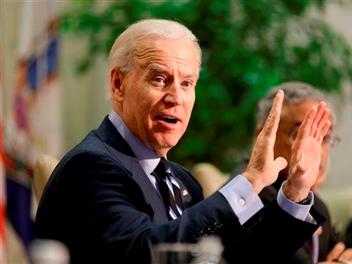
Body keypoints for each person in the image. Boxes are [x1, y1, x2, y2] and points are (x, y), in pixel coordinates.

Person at [35, 19, 331, 263]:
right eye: (159, 79)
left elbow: (235, 259)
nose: (176, 97)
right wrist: (250, 181)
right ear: (118, 84)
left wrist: (295, 191)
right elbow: (147, 253)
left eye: (187, 83)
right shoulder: (92, 165)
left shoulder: (182, 181)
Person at [233, 82, 352, 264]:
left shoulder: (316, 203)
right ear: (264, 136)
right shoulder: (243, 194)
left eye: (324, 137)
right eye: (301, 134)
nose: (318, 151)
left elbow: (347, 257)